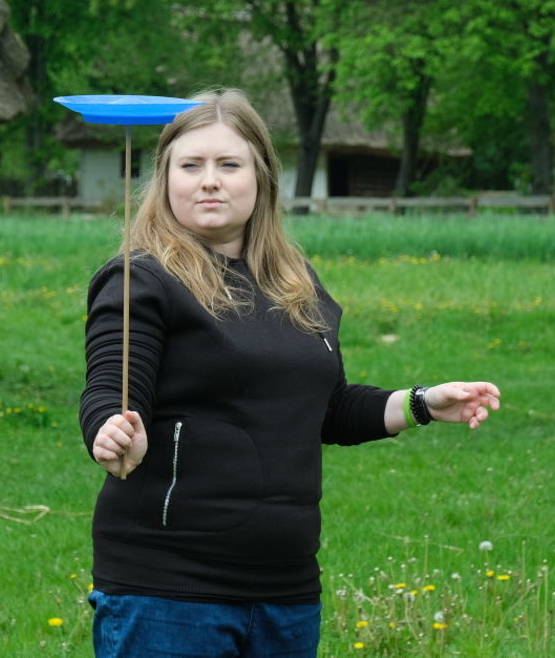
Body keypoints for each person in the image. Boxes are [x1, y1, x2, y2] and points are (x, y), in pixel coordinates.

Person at [78, 88, 501, 658]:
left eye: (229, 164)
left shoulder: (293, 280)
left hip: (286, 590)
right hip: (169, 592)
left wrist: (423, 402)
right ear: (164, 178)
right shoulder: (140, 280)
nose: (210, 180)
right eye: (191, 165)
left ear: (262, 178)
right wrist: (108, 430)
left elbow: (326, 407)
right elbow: (111, 388)